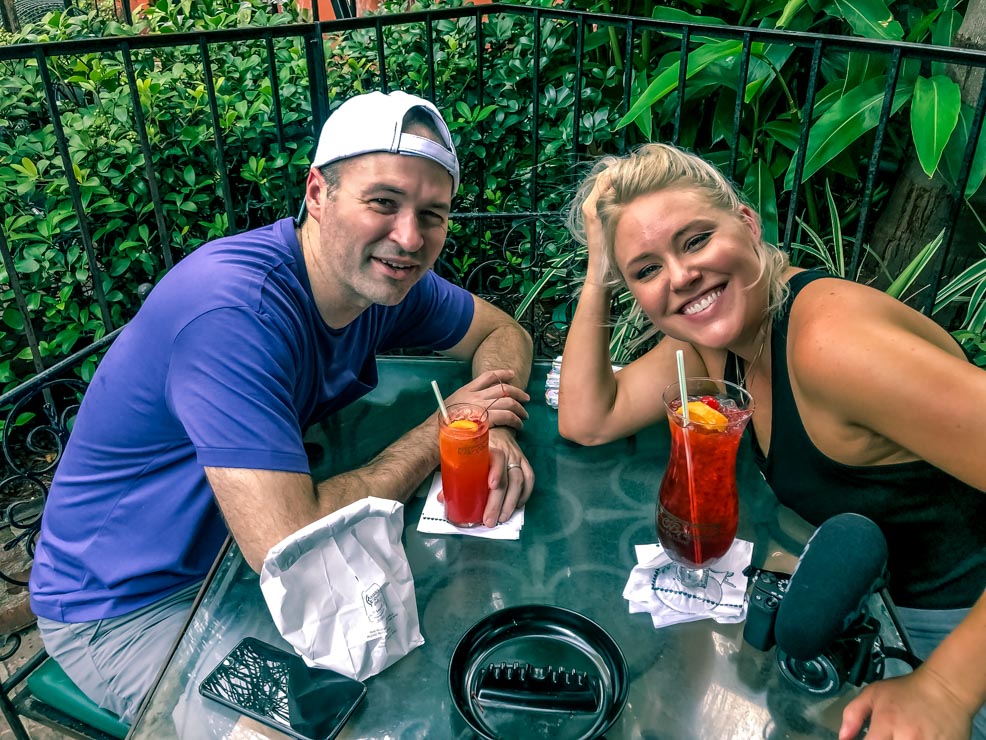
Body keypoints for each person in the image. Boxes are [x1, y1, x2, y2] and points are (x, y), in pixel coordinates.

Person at [28, 90, 536, 722]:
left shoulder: (385, 280)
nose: (409, 237)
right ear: (318, 193)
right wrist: (441, 430)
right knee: (298, 727)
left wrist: (488, 422)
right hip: (131, 605)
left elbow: (504, 333)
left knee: (422, 660)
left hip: (238, 570)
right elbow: (291, 541)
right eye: (383, 202)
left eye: (432, 214)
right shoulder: (234, 312)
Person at [557, 142, 986, 739]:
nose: (681, 277)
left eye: (696, 240)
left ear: (748, 222)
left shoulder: (830, 345)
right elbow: (588, 418)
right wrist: (598, 266)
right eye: (646, 270)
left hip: (959, 630)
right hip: (868, 610)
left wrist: (946, 689)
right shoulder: (718, 343)